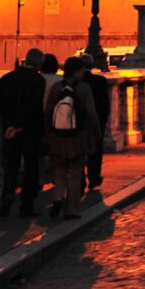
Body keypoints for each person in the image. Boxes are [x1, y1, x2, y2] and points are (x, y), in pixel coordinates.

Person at [44, 56, 101, 219]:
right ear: (76, 71)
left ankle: (58, 197)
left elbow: (49, 112)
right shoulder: (84, 88)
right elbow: (91, 113)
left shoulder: (56, 87)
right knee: (75, 174)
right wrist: (96, 133)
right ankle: (72, 209)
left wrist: (47, 132)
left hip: (57, 137)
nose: (83, 72)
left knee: (59, 171)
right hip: (78, 137)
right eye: (81, 69)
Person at [0, 47, 45, 217]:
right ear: (39, 64)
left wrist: (9, 125)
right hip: (29, 131)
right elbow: (34, 107)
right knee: (30, 168)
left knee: (11, 166)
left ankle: (8, 194)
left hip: (9, 131)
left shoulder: (7, 78)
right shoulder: (38, 81)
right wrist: (19, 125)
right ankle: (26, 205)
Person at [80, 54, 110, 191]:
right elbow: (105, 104)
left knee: (78, 152)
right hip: (96, 121)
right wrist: (103, 121)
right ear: (92, 65)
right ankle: (94, 178)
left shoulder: (75, 82)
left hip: (78, 122)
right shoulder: (100, 81)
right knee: (96, 151)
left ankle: (79, 180)